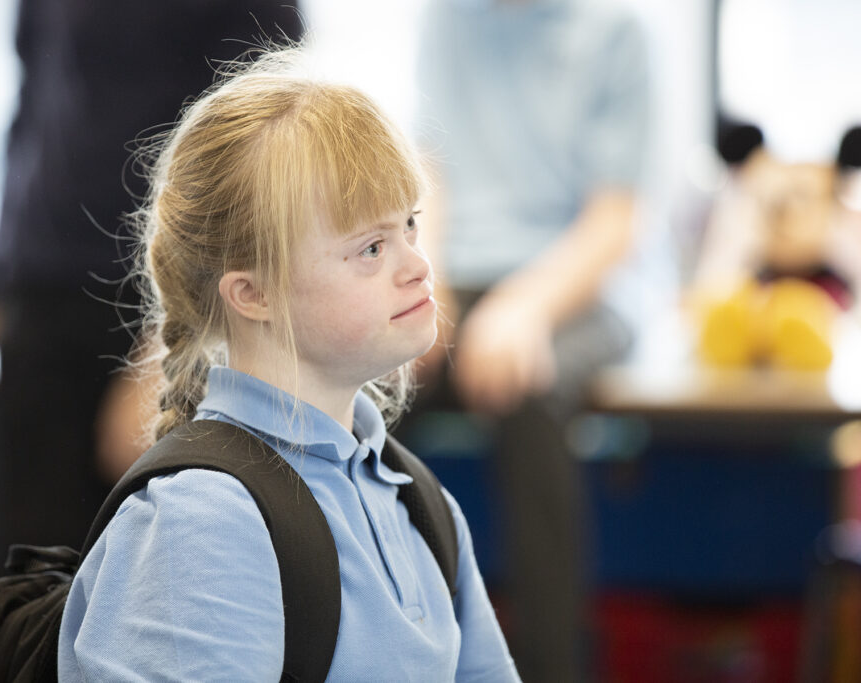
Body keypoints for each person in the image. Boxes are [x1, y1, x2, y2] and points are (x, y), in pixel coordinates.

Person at [56, 47, 520, 681]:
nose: (417, 265)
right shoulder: (200, 523)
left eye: (410, 225)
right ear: (254, 293)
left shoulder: (423, 506)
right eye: (372, 247)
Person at [0, 0, 304, 576]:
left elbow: (253, 151)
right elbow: (32, 107)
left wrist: (173, 342)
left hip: (161, 307)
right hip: (42, 293)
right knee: (26, 574)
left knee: (151, 578)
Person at [404, 0, 655, 680]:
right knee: (365, 394)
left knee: (528, 388)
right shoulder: (448, 20)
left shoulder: (616, 33)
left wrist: (525, 308)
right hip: (460, 280)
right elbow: (430, 174)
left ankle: (549, 665)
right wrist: (421, 283)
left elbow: (613, 222)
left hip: (575, 290)